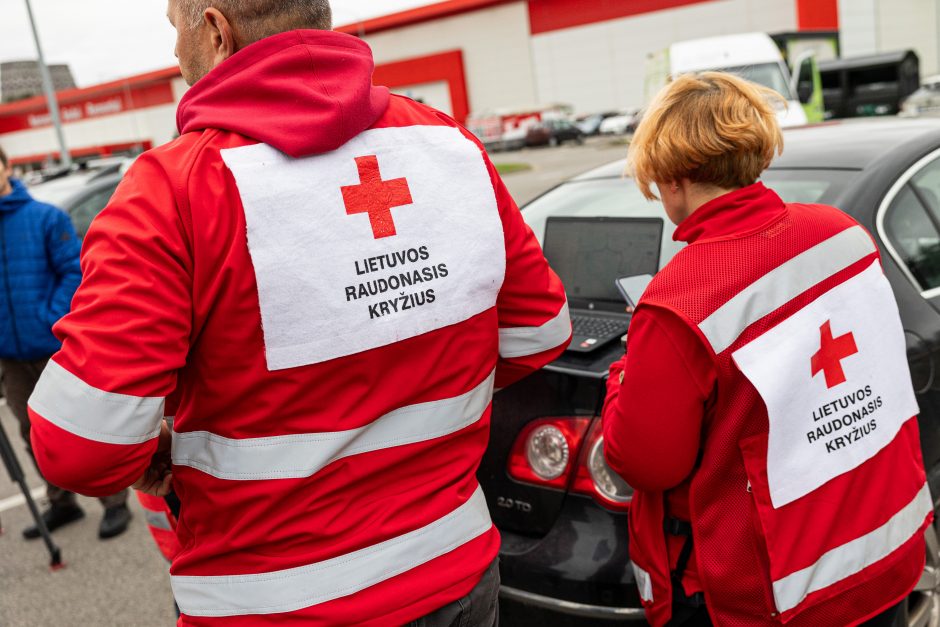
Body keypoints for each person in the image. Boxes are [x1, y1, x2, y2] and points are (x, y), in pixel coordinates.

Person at [27, 1, 571, 624]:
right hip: (455, 572)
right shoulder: (449, 144)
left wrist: (163, 462)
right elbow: (539, 332)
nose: (175, 53)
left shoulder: (170, 190)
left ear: (214, 28)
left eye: (174, 29)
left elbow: (81, 447)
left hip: (272, 599)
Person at [602, 72, 929, 627]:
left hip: (775, 596)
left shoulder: (679, 302)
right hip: (884, 555)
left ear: (674, 177)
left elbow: (646, 463)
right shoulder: (843, 235)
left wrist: (625, 376)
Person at [0, 146, 130, 540]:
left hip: (54, 347)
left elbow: (74, 272)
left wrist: (49, 320)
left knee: (81, 426)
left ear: (8, 166)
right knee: (31, 433)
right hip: (11, 356)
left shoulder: (45, 218)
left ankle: (114, 502)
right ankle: (61, 503)